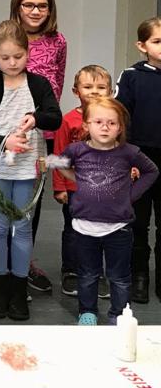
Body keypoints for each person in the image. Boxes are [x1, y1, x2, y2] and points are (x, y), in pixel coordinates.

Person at [0, 20, 61, 321]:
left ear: (27, 53)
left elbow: (54, 118)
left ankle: (19, 289)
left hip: (27, 168)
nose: (11, 63)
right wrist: (4, 142)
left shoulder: (39, 85)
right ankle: (0, 285)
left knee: (21, 225)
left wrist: (35, 118)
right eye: (5, 57)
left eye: (18, 57)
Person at [57, 97, 158, 325]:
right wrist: (77, 180)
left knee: (120, 277)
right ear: (86, 125)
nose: (105, 127)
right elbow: (58, 163)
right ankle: (87, 311)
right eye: (98, 121)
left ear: (120, 127)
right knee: (88, 275)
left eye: (112, 123)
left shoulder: (129, 152)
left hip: (118, 228)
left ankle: (118, 315)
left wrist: (130, 195)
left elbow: (151, 171)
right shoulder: (77, 150)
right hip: (84, 228)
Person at [10, 0, 67, 293]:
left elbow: (56, 87)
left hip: (41, 134)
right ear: (18, 6)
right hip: (9, 133)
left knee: (32, 201)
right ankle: (3, 264)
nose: (35, 11)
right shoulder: (7, 37)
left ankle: (24, 262)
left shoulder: (58, 41)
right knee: (6, 198)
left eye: (41, 6)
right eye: (28, 4)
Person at [53, 65, 113, 298]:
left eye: (101, 87)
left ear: (110, 91)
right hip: (75, 188)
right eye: (88, 87)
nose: (95, 91)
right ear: (75, 90)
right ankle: (71, 271)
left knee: (101, 230)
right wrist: (60, 187)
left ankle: (96, 273)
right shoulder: (68, 121)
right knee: (73, 230)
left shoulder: (113, 120)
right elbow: (59, 156)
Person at [116, 16, 161, 303]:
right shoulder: (131, 76)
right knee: (138, 220)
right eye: (157, 41)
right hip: (141, 159)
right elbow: (121, 117)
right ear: (142, 45)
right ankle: (139, 275)